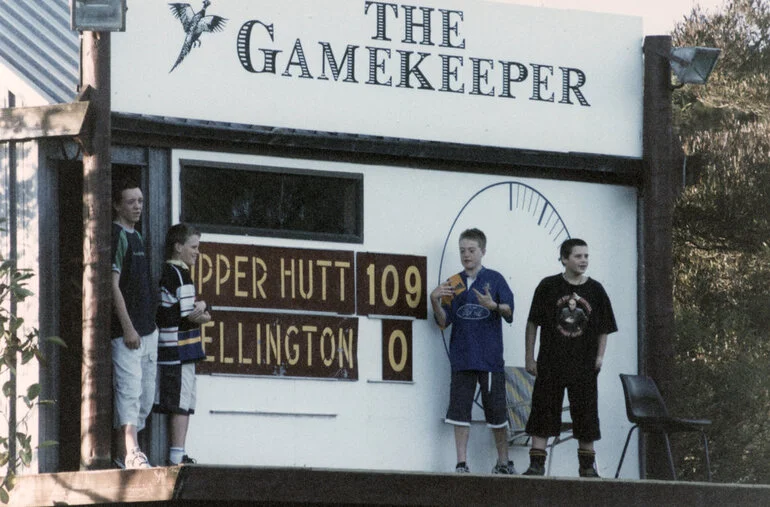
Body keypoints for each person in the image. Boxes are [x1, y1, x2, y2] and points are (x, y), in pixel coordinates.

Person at [522, 238, 617, 477]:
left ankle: (587, 467)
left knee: (585, 413)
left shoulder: (595, 290)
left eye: (586, 256)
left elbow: (604, 327)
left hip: (583, 363)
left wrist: (600, 357)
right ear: (564, 259)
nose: (583, 260)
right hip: (551, 362)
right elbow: (533, 323)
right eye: (578, 256)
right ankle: (536, 465)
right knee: (543, 410)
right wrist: (529, 357)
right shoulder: (548, 286)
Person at [430, 228, 515, 474]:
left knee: (497, 414)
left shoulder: (495, 279)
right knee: (459, 413)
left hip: (489, 360)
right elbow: (443, 322)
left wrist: (494, 305)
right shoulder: (454, 283)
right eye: (462, 251)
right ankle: (461, 463)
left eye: (471, 250)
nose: (466, 255)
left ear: (482, 251)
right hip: (462, 358)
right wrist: (434, 300)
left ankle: (503, 462)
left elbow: (510, 311)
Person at [154, 223, 211, 465]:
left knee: (184, 401)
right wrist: (205, 309)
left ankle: (179, 454)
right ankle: (176, 457)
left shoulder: (174, 273)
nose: (197, 252)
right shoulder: (178, 274)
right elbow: (191, 316)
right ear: (178, 247)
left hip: (180, 350)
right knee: (179, 403)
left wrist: (202, 308)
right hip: (178, 350)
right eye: (193, 247)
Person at [111, 178, 158, 469]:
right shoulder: (118, 236)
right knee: (129, 391)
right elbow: (112, 285)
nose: (137, 206)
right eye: (131, 201)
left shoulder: (137, 236)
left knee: (146, 396)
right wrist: (128, 327)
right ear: (117, 205)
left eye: (140, 201)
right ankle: (132, 452)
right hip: (127, 333)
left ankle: (122, 454)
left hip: (148, 331)